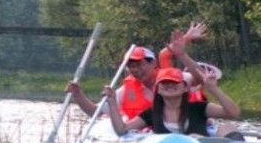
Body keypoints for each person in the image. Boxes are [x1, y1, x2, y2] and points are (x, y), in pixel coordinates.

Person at [66, 22, 211, 120]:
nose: (135, 70)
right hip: (145, 136)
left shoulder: (171, 77)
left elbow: (199, 78)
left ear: (153, 63)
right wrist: (78, 95)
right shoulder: (126, 89)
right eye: (131, 66)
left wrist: (181, 54)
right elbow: (96, 112)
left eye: (139, 64)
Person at [103, 63, 241, 137]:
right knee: (193, 137)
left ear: (185, 87)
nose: (169, 86)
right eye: (165, 83)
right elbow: (122, 129)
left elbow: (233, 113)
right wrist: (112, 103)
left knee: (228, 128)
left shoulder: (199, 107)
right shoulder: (152, 113)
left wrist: (213, 89)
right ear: (158, 89)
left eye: (174, 82)